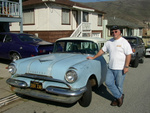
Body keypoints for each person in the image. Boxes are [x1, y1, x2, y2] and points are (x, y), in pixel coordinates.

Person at [87, 25, 132, 107]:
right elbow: (102, 51)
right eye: (112, 32)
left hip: (120, 68)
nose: (114, 33)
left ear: (120, 32)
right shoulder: (109, 42)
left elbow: (129, 54)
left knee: (119, 85)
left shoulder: (124, 42)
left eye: (116, 31)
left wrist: (126, 66)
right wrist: (93, 57)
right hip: (111, 68)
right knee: (108, 82)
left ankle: (116, 99)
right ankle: (119, 96)